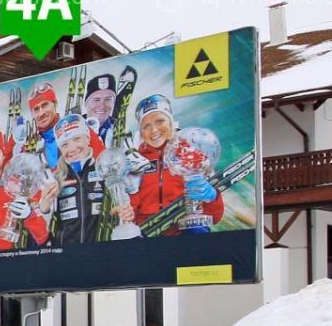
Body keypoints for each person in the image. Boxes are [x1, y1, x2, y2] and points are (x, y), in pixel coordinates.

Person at [128, 94, 224, 234]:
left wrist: (211, 197)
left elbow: (215, 216)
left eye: (160, 121)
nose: (154, 130)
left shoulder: (191, 152)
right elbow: (130, 209)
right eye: (146, 126)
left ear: (171, 122)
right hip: (149, 233)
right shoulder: (135, 161)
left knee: (198, 232)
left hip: (185, 229)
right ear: (141, 132)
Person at [36, 114, 130, 247]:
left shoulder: (105, 169)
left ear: (87, 138)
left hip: (101, 252)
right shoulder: (55, 179)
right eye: (65, 144)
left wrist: (123, 212)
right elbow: (45, 231)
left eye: (77, 139)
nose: (72, 148)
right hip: (67, 254)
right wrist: (44, 208)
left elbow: (123, 205)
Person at [83, 73, 117, 143]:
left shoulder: (119, 128)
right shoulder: (74, 125)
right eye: (96, 100)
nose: (102, 106)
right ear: (86, 103)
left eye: (108, 99)